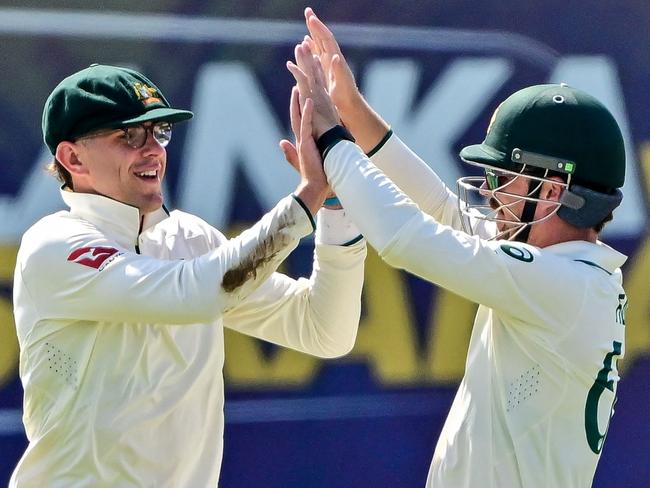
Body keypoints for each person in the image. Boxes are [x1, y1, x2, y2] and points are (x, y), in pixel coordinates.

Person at [284, 8, 628, 487]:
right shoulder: (569, 275)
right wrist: (352, 112)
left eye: (503, 177)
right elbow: (444, 213)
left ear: (552, 192)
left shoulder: (560, 284)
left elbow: (410, 239)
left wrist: (333, 142)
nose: (489, 193)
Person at [11, 63, 366, 486]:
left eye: (159, 133)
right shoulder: (54, 243)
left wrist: (335, 208)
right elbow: (196, 293)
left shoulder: (191, 237)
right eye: (128, 136)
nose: (153, 150)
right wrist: (307, 196)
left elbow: (324, 330)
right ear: (72, 157)